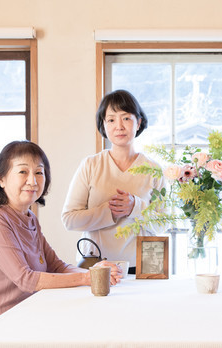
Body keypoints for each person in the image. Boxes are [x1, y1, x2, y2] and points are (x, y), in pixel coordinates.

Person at [0, 140, 121, 335]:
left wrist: (94, 272)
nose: (32, 181)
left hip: (25, 317)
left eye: (39, 172)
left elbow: (57, 266)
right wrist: (86, 278)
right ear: (1, 180)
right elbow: (26, 280)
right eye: (23, 172)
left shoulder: (29, 218)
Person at [61, 90, 166, 273]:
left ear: (138, 122)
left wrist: (135, 207)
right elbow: (69, 220)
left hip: (145, 265)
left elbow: (164, 222)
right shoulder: (90, 165)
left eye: (126, 118)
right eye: (111, 119)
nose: (119, 126)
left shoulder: (154, 169)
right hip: (96, 263)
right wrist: (109, 212)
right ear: (103, 124)